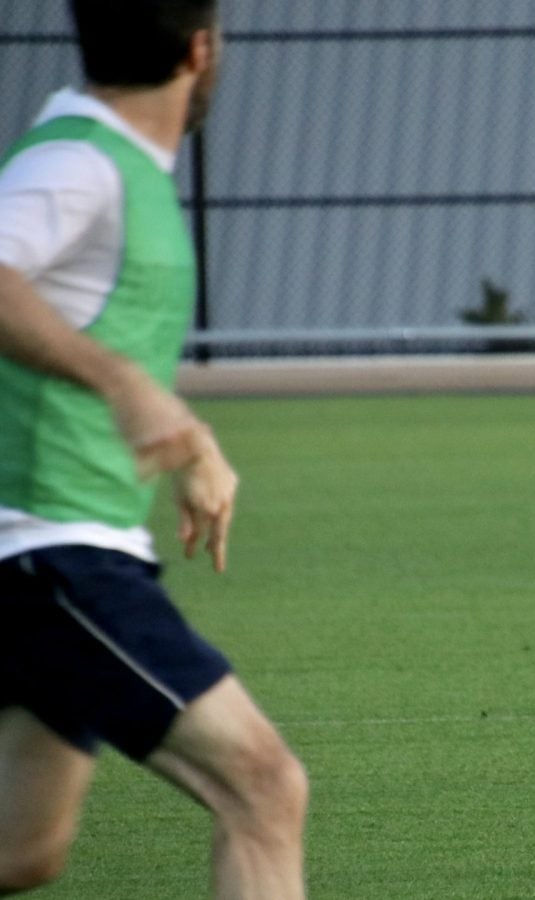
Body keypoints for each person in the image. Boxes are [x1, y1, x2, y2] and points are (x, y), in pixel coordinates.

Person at [0, 2, 309, 896]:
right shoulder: (77, 163)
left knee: (24, 849)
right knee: (263, 786)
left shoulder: (114, 166)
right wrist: (127, 387)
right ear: (201, 50)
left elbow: (96, 334)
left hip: (66, 546)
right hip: (44, 553)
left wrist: (189, 441)